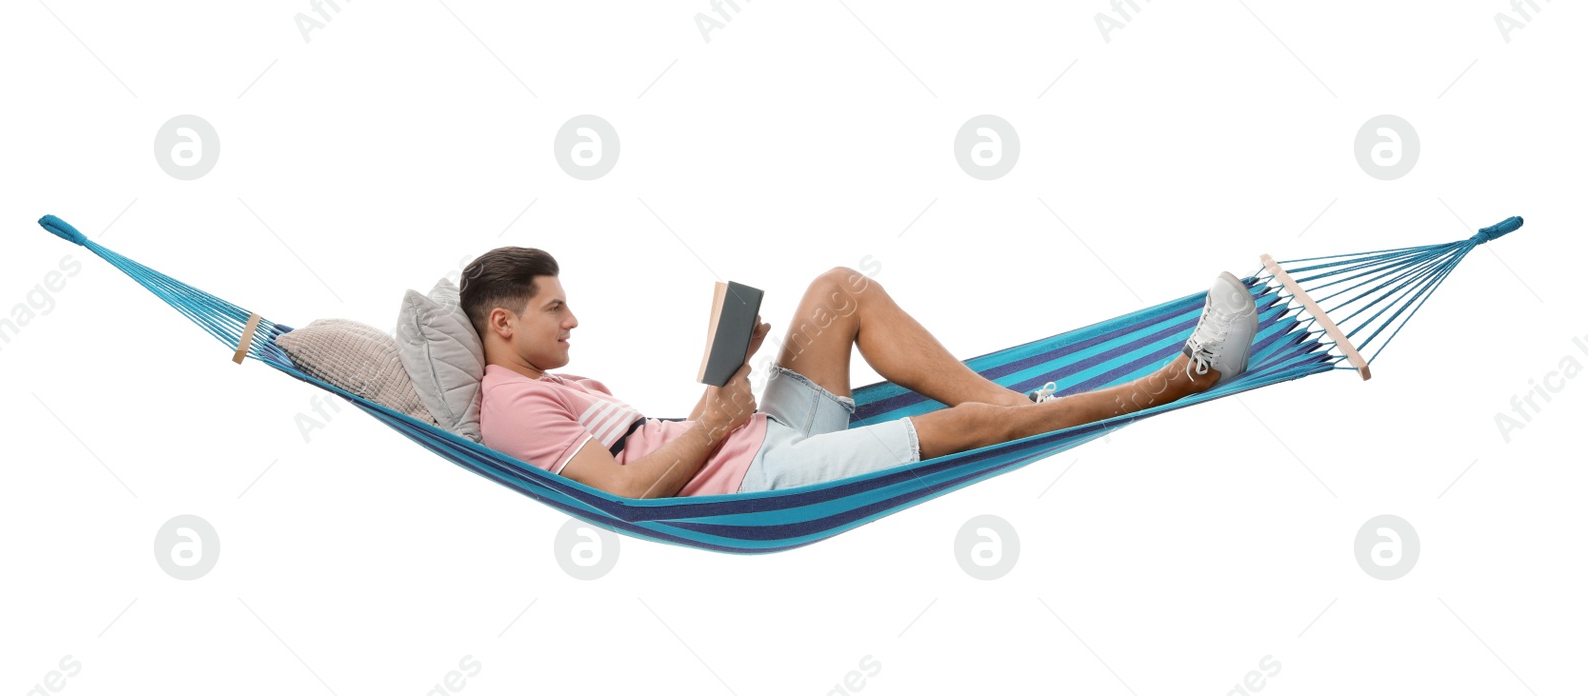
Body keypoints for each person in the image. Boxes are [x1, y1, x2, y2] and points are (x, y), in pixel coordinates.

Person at [459, 247, 1258, 499]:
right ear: (503, 321)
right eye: (554, 309)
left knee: (839, 289)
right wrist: (715, 418)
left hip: (746, 436)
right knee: (968, 433)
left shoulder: (558, 385)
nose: (572, 322)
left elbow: (653, 446)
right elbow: (629, 497)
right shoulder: (510, 406)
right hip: (754, 482)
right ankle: (1185, 377)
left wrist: (727, 377)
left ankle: (1020, 406)